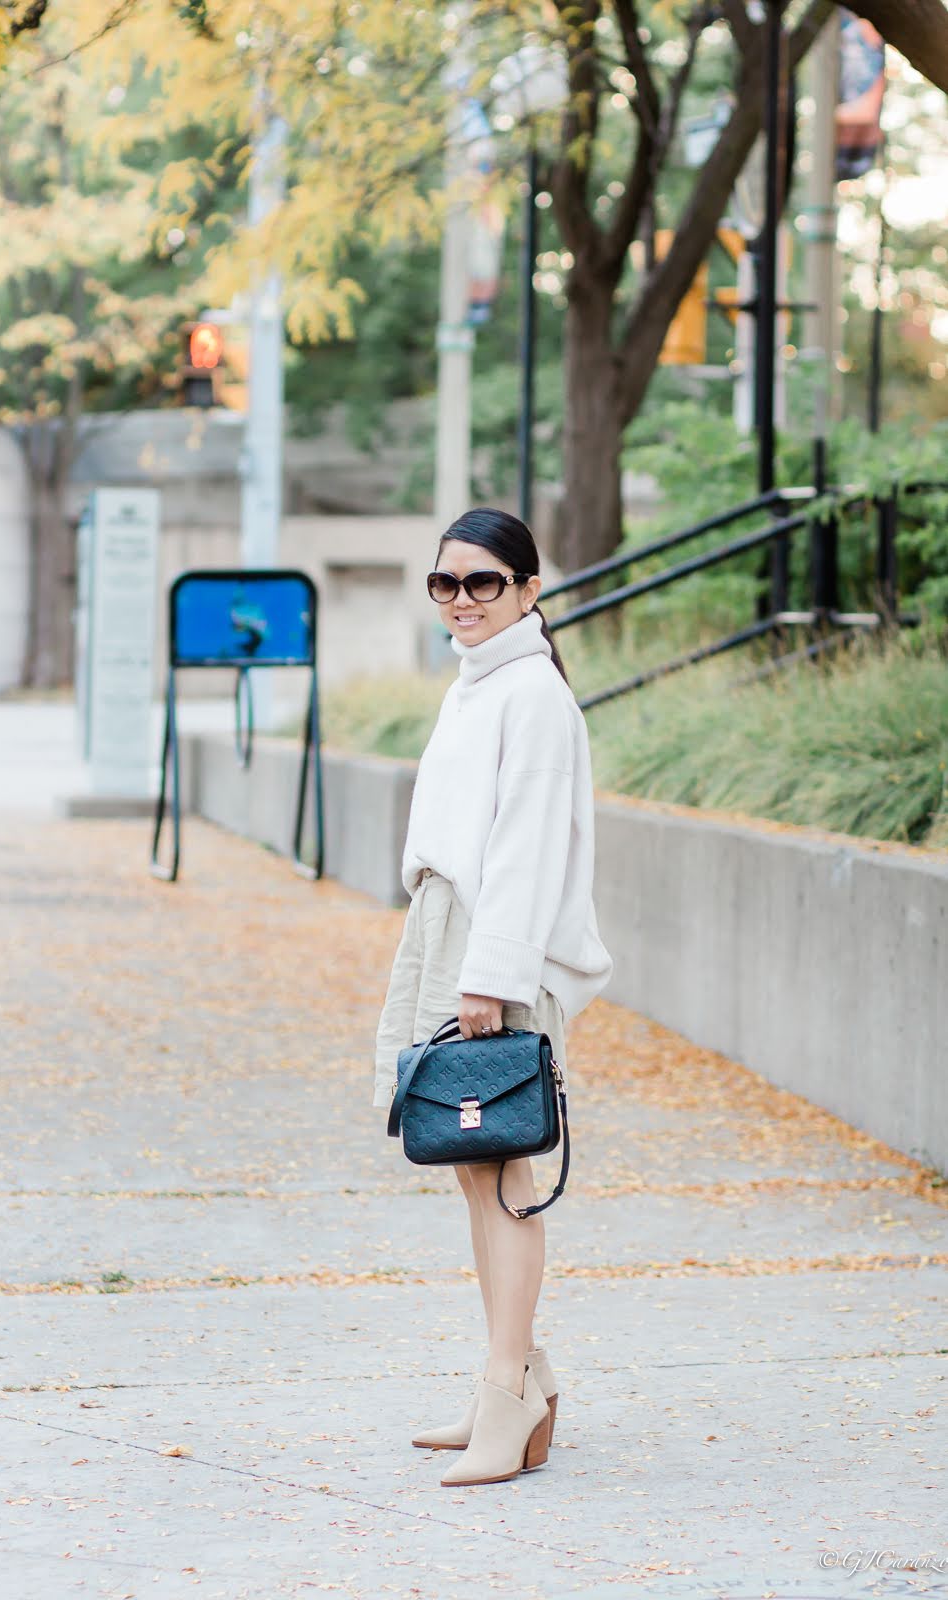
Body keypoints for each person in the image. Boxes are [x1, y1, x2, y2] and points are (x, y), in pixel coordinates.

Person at [372, 505, 614, 1488]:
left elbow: (524, 850)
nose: (461, 600)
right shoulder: (475, 686)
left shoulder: (533, 699)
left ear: (527, 587)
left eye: (482, 582)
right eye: (445, 583)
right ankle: (516, 1379)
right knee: (473, 1168)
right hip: (450, 935)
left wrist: (491, 976)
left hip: (490, 952)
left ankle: (509, 1389)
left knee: (503, 1172)